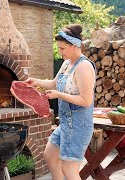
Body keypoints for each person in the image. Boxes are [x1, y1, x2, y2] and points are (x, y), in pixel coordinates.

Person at [24, 24, 96, 180]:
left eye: (62, 48)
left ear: (75, 45)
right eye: (59, 48)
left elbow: (86, 100)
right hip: (65, 124)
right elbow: (54, 83)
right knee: (50, 156)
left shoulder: (83, 67)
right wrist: (35, 81)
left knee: (69, 169)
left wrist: (59, 95)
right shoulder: (66, 64)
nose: (59, 52)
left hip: (78, 125)